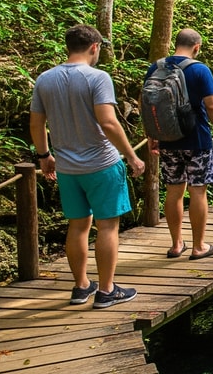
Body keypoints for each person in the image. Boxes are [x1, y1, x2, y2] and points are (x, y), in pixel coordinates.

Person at [29, 24, 146, 308]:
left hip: (68, 168)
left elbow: (36, 123)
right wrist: (131, 155)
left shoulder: (45, 79)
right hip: (102, 164)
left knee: (78, 226)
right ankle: (107, 290)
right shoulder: (98, 77)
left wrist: (45, 157)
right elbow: (107, 122)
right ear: (94, 47)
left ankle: (81, 286)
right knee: (107, 226)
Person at [145, 28, 213, 260]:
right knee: (198, 191)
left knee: (174, 191)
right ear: (197, 47)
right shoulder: (199, 69)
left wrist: (153, 135)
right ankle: (199, 246)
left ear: (176, 43)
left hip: (168, 139)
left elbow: (149, 104)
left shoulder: (156, 67)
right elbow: (212, 106)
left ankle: (175, 244)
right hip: (197, 139)